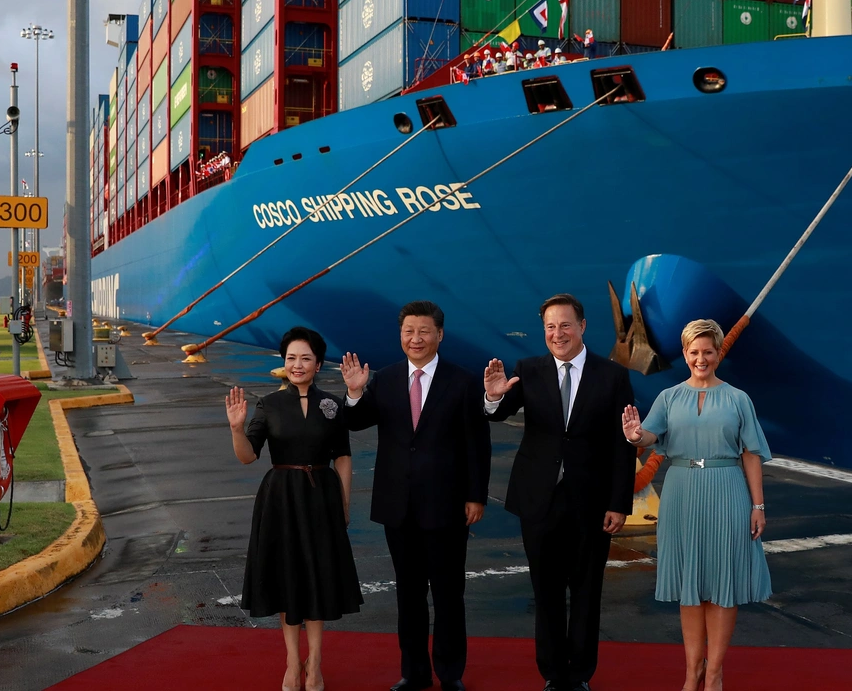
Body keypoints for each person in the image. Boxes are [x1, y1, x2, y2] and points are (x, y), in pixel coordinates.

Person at [483, 294, 636, 691]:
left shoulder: (613, 375)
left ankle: (581, 674)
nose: (557, 333)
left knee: (587, 591)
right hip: (540, 500)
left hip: (591, 501)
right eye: (550, 326)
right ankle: (552, 673)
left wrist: (620, 503)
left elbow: (623, 444)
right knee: (546, 591)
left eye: (565, 325)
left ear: (582, 327)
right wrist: (494, 395)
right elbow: (498, 413)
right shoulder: (528, 370)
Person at [341, 301, 490, 691]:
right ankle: (414, 672)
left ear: (439, 335)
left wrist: (476, 496)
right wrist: (355, 393)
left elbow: (477, 444)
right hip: (397, 505)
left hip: (447, 504)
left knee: (447, 593)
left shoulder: (462, 381)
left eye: (424, 331)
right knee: (408, 594)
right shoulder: (386, 379)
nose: (416, 339)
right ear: (401, 335)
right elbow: (355, 423)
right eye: (409, 331)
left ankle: (450, 672)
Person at [621, 320, 772, 691]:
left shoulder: (738, 399)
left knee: (722, 585)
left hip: (727, 490)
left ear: (718, 353)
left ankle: (716, 672)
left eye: (708, 351)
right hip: (681, 492)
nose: (700, 358)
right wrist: (636, 435)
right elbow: (652, 434)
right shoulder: (669, 397)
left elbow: (752, 454)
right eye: (694, 352)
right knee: (690, 586)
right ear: (685, 354)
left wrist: (758, 506)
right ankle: (693, 671)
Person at [226, 327, 362, 691]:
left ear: (318, 364)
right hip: (281, 500)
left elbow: (344, 457)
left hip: (321, 499)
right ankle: (291, 661)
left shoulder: (332, 404)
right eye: (290, 358)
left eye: (305, 358)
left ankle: (314, 663)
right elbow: (247, 456)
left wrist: (344, 505)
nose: (297, 365)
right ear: (283, 363)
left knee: (317, 580)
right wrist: (237, 429)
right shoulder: (268, 404)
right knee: (287, 580)